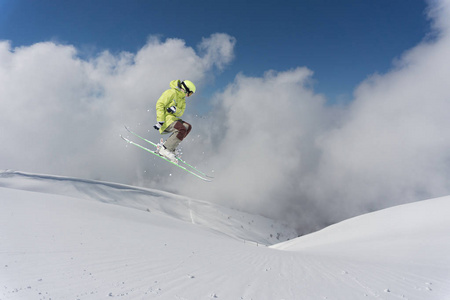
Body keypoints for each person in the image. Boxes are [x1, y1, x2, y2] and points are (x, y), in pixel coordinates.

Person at [153, 79, 196, 163]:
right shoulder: (171, 92)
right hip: (166, 120)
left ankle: (171, 147)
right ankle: (164, 149)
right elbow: (160, 104)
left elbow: (181, 112)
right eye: (190, 93)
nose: (189, 95)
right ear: (185, 89)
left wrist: (175, 110)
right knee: (182, 129)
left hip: (173, 119)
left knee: (188, 127)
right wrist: (160, 120)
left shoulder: (182, 100)